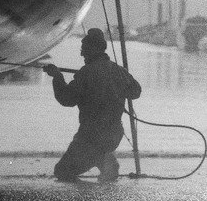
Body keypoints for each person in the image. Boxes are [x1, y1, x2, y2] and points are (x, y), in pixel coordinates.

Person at [43, 28, 141, 182]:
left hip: (91, 137)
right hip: (113, 135)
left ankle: (103, 159)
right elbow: (136, 91)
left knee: (62, 171)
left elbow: (66, 99)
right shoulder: (118, 70)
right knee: (96, 150)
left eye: (84, 50)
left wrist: (57, 76)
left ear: (93, 49)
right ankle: (104, 158)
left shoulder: (85, 73)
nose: (82, 54)